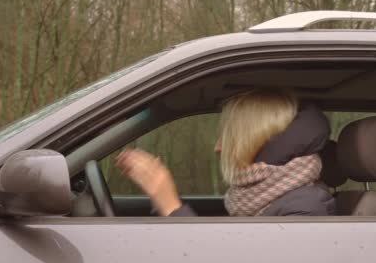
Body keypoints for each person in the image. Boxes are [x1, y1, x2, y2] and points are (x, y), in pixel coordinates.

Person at [116, 89, 336, 216]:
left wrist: (169, 203)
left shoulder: (306, 210)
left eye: (230, 139)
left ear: (260, 144)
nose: (217, 148)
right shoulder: (259, 200)